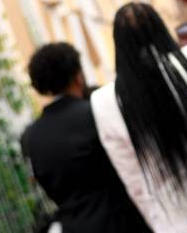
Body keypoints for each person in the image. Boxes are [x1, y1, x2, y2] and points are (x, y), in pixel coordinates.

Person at [90, 2, 187, 233]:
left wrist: (157, 223)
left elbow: (133, 178)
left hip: (175, 223)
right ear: (160, 27)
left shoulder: (104, 102)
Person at [20, 42, 150, 233]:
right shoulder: (96, 112)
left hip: (74, 227)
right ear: (78, 76)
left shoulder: (30, 138)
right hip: (124, 221)